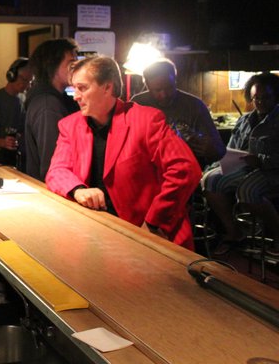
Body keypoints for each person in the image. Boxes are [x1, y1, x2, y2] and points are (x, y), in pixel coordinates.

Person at [45, 55, 202, 250]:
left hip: (142, 232)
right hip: (94, 229)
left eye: (82, 88)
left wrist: (154, 223)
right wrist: (79, 189)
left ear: (107, 87)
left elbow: (185, 169)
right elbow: (56, 171)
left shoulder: (145, 120)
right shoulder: (70, 125)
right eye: (74, 88)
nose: (75, 96)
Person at [202, 72, 279, 256]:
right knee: (210, 181)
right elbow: (231, 148)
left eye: (266, 97)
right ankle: (234, 232)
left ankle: (277, 235)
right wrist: (223, 162)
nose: (260, 102)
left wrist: (260, 160)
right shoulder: (245, 119)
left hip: (271, 171)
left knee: (247, 190)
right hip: (245, 168)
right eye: (255, 98)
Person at [132, 58, 225, 168]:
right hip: (149, 171)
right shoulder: (137, 104)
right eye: (157, 90)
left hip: (187, 169)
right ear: (147, 85)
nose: (164, 94)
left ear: (175, 80)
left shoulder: (195, 105)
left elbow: (220, 150)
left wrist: (210, 149)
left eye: (169, 88)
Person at [24, 39, 79, 181]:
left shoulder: (56, 99)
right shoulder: (48, 105)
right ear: (52, 66)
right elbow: (52, 164)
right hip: (53, 190)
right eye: (70, 63)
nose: (76, 68)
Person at [0, 58, 33, 169]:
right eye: (24, 80)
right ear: (11, 75)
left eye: (29, 82)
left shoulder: (25, 100)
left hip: (18, 160)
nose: (26, 85)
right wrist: (4, 143)